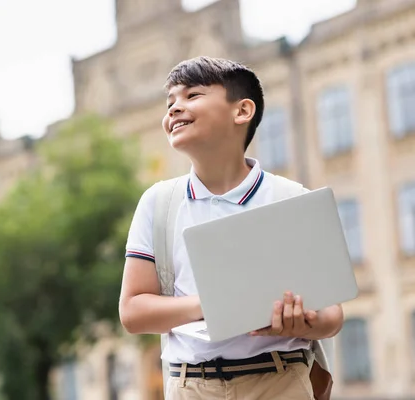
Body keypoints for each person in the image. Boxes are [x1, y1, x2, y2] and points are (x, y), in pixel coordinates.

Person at [119, 56, 344, 400]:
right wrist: (216, 304)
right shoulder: (158, 203)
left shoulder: (290, 197)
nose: (175, 109)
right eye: (170, 103)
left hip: (280, 381)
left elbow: (332, 317)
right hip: (191, 386)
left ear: (241, 111)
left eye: (192, 96)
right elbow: (133, 312)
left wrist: (301, 321)